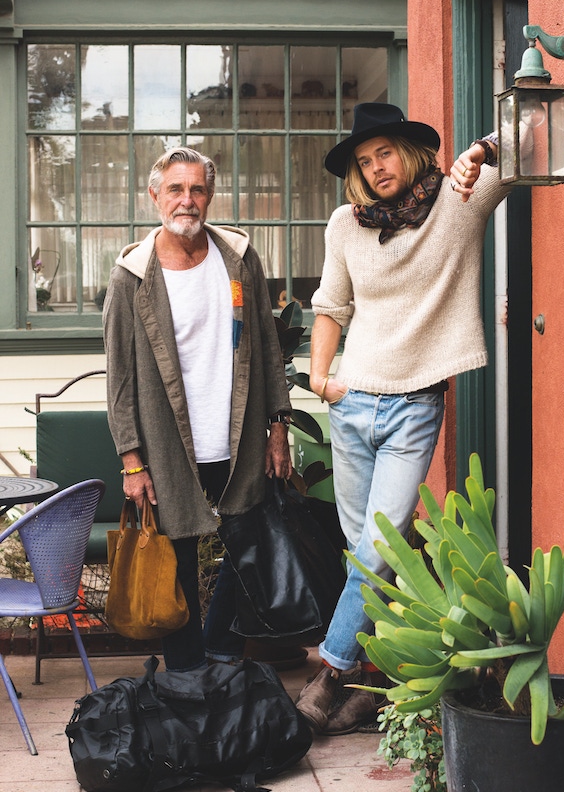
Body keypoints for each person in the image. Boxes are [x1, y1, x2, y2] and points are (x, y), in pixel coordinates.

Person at [295, 102, 507, 734]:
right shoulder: (345, 224)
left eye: (384, 152)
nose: (376, 167)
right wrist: (320, 377)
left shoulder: (459, 200)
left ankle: (331, 672)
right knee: (372, 559)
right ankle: (381, 682)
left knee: (382, 546)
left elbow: (530, 137)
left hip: (414, 404)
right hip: (352, 404)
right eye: (364, 161)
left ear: (409, 153)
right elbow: (331, 307)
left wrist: (484, 151)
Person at [103, 146, 292, 671]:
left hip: (237, 438)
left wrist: (278, 425)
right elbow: (119, 380)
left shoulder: (239, 258)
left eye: (197, 190)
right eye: (176, 190)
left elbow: (267, 346)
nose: (187, 201)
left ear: (209, 196)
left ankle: (222, 655)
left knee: (249, 546)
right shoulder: (131, 276)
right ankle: (187, 676)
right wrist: (132, 462)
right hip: (169, 447)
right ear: (154, 196)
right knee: (178, 564)